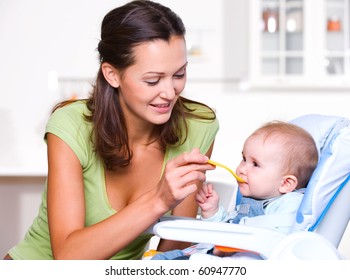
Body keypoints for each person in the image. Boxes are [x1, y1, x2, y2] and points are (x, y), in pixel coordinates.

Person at [5, 0, 219, 260]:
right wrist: (158, 200)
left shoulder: (198, 126)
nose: (169, 92)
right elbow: (68, 258)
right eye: (152, 80)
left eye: (179, 74)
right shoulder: (70, 125)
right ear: (112, 75)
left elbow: (174, 247)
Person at [151, 121, 318, 260]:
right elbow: (229, 227)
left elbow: (276, 243)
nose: (242, 169)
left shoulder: (288, 205)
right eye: (244, 159)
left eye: (255, 164)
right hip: (209, 253)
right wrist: (213, 211)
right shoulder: (253, 199)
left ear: (286, 183)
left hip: (232, 262)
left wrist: (232, 246)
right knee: (158, 260)